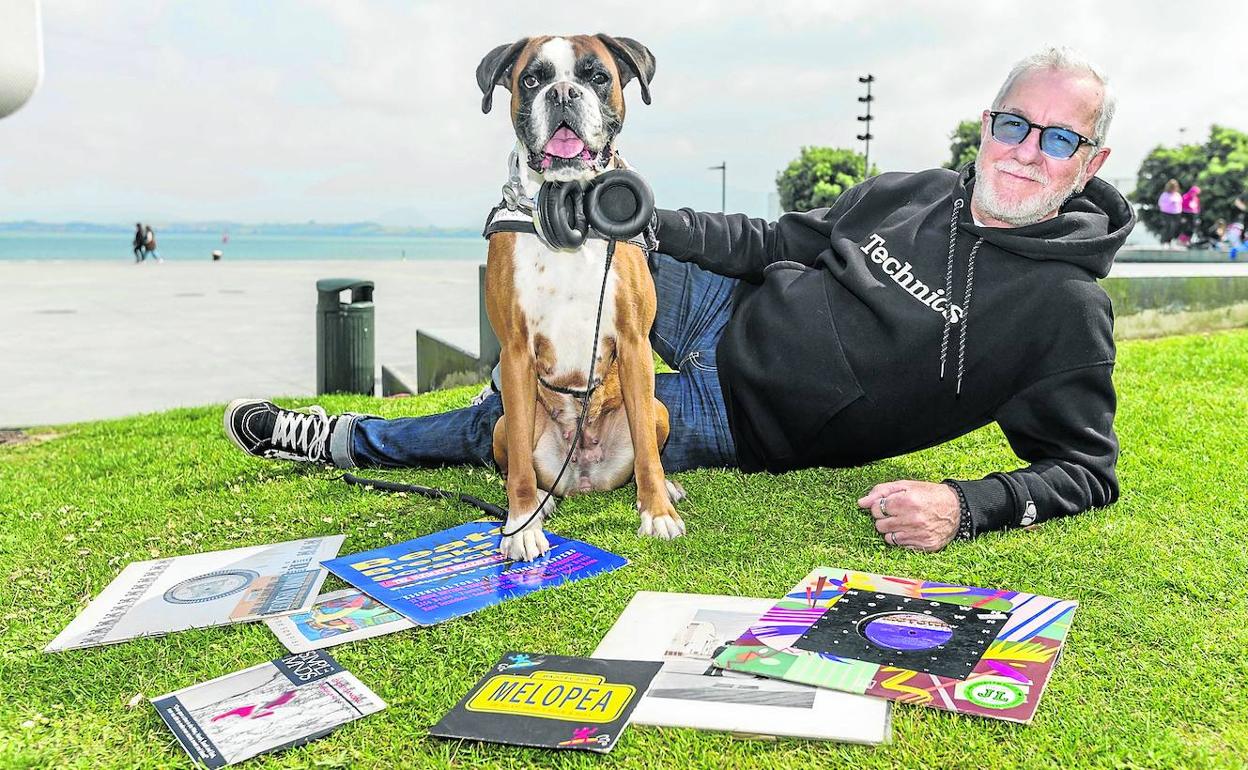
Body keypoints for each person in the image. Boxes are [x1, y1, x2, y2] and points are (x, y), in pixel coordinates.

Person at [224, 46, 1133, 553]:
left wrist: (965, 505)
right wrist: (650, 219)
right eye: (1014, 124)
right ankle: (546, 202)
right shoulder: (913, 189)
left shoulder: (1064, 310)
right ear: (986, 126)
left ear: (1089, 162)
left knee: (524, 423)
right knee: (557, 292)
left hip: (742, 415)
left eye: (1058, 138)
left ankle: (341, 437)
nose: (1026, 149)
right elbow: (780, 243)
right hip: (722, 306)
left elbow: (1088, 472)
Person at [1157, 179, 1182, 248]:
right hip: (1166, 213)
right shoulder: (1164, 195)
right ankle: (1165, 242)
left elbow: (1180, 203)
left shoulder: (1177, 195)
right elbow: (1160, 204)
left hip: (1176, 213)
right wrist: (1170, 203)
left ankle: (1171, 242)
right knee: (1168, 227)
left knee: (1174, 228)